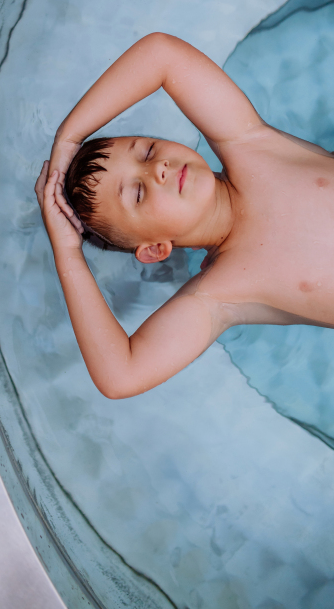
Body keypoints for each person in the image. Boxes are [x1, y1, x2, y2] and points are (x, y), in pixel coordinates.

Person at [34, 32, 334, 399]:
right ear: (155, 249)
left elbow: (162, 54)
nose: (157, 168)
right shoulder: (221, 295)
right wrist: (67, 252)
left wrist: (68, 138)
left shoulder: (251, 145)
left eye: (147, 151)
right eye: (139, 192)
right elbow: (120, 375)